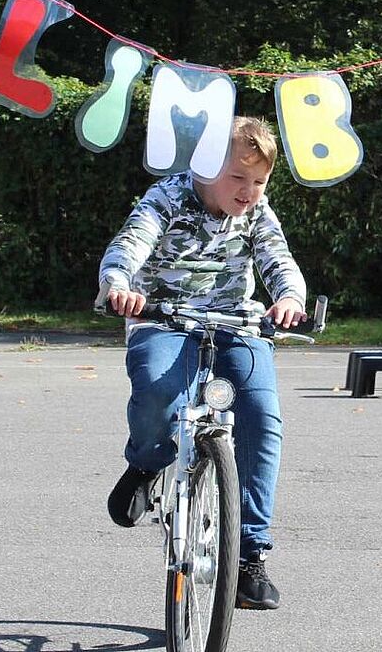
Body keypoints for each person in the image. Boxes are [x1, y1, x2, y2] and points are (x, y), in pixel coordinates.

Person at [98, 116, 307, 611]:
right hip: (164, 316)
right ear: (205, 166)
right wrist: (118, 285)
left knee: (263, 418)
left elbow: (279, 259)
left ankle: (250, 553)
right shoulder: (168, 198)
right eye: (238, 178)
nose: (248, 191)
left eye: (259, 181)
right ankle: (147, 464)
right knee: (158, 392)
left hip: (236, 321)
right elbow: (131, 242)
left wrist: (290, 297)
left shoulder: (256, 213)